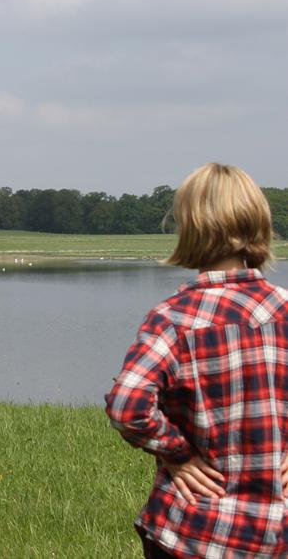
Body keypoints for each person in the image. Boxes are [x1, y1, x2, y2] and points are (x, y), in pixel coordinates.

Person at [106, 163, 288, 558]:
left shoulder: (173, 319)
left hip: (192, 531)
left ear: (187, 228)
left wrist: (178, 454)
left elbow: (127, 406)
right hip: (274, 535)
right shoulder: (284, 309)